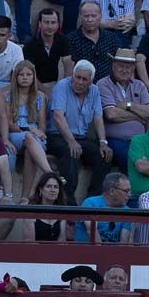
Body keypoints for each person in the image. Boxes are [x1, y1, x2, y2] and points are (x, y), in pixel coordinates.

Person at [46, 60, 111, 202]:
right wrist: (71, 141)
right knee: (71, 152)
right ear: (73, 75)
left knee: (104, 156)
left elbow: (98, 117)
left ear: (91, 81)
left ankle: (92, 200)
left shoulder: (94, 90)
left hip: (80, 137)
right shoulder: (62, 86)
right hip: (58, 135)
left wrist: (103, 142)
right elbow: (58, 116)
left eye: (85, 79)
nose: (80, 82)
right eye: (78, 77)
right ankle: (68, 200)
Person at [99, 47, 149, 173]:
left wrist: (129, 105)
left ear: (134, 68)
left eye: (128, 67)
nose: (125, 70)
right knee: (129, 158)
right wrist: (138, 116)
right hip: (115, 139)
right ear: (113, 66)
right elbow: (111, 114)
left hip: (140, 138)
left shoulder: (139, 85)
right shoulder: (103, 84)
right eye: (121, 66)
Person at [4, 59, 50, 191]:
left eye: (28, 75)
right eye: (21, 75)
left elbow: (42, 125)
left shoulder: (40, 96)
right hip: (16, 134)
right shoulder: (8, 96)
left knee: (31, 149)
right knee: (30, 137)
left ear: (33, 77)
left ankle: (24, 198)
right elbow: (9, 124)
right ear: (16, 77)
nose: (25, 78)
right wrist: (30, 129)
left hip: (35, 137)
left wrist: (38, 131)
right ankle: (49, 172)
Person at [66, 0, 119, 83]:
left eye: (94, 16)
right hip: (81, 87)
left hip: (108, 88)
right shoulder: (70, 39)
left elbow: (119, 64)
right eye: (86, 16)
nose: (90, 19)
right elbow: (68, 69)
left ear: (100, 16)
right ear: (80, 17)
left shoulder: (112, 38)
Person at [22, 7, 70, 94]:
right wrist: (46, 92)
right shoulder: (30, 44)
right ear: (40, 24)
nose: (50, 26)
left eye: (53, 22)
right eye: (46, 22)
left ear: (58, 24)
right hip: (35, 85)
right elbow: (30, 73)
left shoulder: (63, 40)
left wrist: (64, 88)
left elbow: (68, 66)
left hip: (58, 84)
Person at [76, 172, 131, 243]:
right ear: (111, 191)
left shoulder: (127, 211)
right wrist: (104, 253)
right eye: (126, 191)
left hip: (113, 253)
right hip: (86, 252)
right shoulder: (91, 203)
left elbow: (124, 241)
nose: (130, 195)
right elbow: (92, 232)